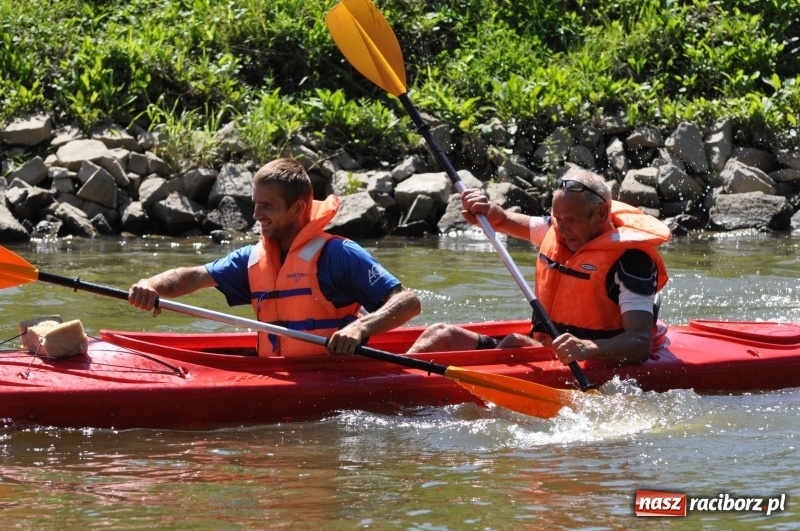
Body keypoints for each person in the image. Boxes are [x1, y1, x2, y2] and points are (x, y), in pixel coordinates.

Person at [129, 158, 421, 357]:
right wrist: (152, 284)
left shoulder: (338, 254)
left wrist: (361, 327)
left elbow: (408, 303)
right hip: (278, 371)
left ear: (296, 209)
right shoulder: (254, 258)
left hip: (334, 372)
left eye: (267, 206)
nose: (256, 215)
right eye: (256, 204)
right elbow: (194, 276)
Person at [408, 166, 670, 365]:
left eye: (570, 219)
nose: (562, 229)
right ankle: (391, 375)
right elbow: (502, 220)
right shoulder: (558, 228)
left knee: (513, 344)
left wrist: (589, 348)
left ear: (601, 214)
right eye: (557, 218)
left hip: (589, 360)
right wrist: (485, 209)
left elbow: (639, 342)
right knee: (440, 334)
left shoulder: (631, 261)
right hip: (544, 349)